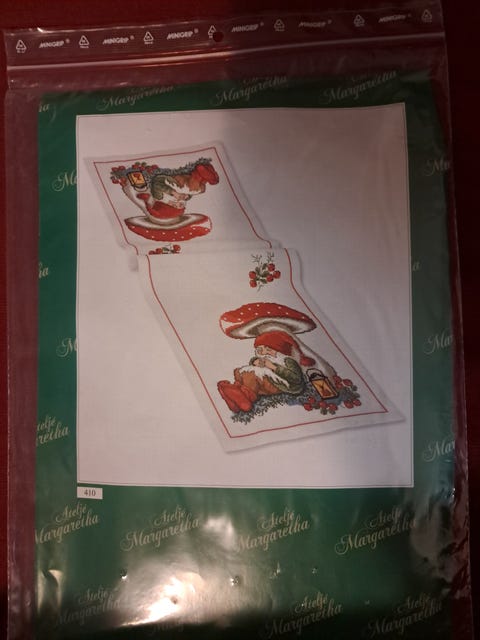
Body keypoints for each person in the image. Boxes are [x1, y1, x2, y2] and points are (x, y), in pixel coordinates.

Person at [217, 330, 315, 413]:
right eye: (261, 349)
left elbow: (296, 378)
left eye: (268, 349)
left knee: (253, 375)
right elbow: (258, 361)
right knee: (239, 371)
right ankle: (236, 394)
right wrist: (255, 361)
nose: (264, 352)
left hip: (283, 384)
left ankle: (245, 398)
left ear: (279, 350)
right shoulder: (268, 357)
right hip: (269, 380)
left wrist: (273, 367)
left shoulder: (288, 361)